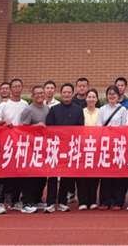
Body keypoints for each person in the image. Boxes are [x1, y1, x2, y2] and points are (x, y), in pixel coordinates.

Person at [44, 83, 85, 213]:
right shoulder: (54, 109)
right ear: (60, 94)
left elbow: (80, 128)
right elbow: (49, 127)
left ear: (72, 94)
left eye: (69, 92)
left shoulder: (78, 109)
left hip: (70, 148)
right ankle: (50, 202)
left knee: (67, 176)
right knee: (52, 176)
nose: (66, 95)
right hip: (55, 147)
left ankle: (62, 202)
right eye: (64, 92)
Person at [0, 78, 29, 214]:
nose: (17, 89)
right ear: (10, 89)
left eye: (19, 86)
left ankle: (15, 201)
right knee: (4, 173)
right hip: (6, 144)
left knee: (18, 174)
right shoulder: (4, 105)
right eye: (15, 86)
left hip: (20, 144)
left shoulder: (25, 104)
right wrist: (4, 121)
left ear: (22, 89)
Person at [18, 86, 50, 214]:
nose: (39, 95)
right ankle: (27, 201)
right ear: (32, 96)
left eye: (41, 93)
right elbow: (21, 128)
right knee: (30, 176)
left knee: (41, 176)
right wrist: (35, 127)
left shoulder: (47, 108)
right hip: (30, 148)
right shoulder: (28, 110)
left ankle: (37, 199)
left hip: (43, 148)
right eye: (37, 94)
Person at [97, 85, 128, 210]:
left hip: (118, 145)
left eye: (114, 94)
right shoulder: (102, 109)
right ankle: (105, 201)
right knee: (105, 174)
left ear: (118, 96)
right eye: (109, 94)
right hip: (105, 145)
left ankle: (118, 201)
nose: (112, 96)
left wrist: (115, 130)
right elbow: (99, 127)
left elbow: (125, 127)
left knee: (118, 174)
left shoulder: (123, 110)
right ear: (106, 96)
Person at [78, 89, 101, 210]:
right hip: (83, 147)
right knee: (82, 175)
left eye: (93, 97)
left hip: (97, 148)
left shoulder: (100, 112)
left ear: (97, 99)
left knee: (94, 175)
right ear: (86, 98)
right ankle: (82, 201)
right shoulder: (81, 111)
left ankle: (92, 200)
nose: (91, 99)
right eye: (89, 97)